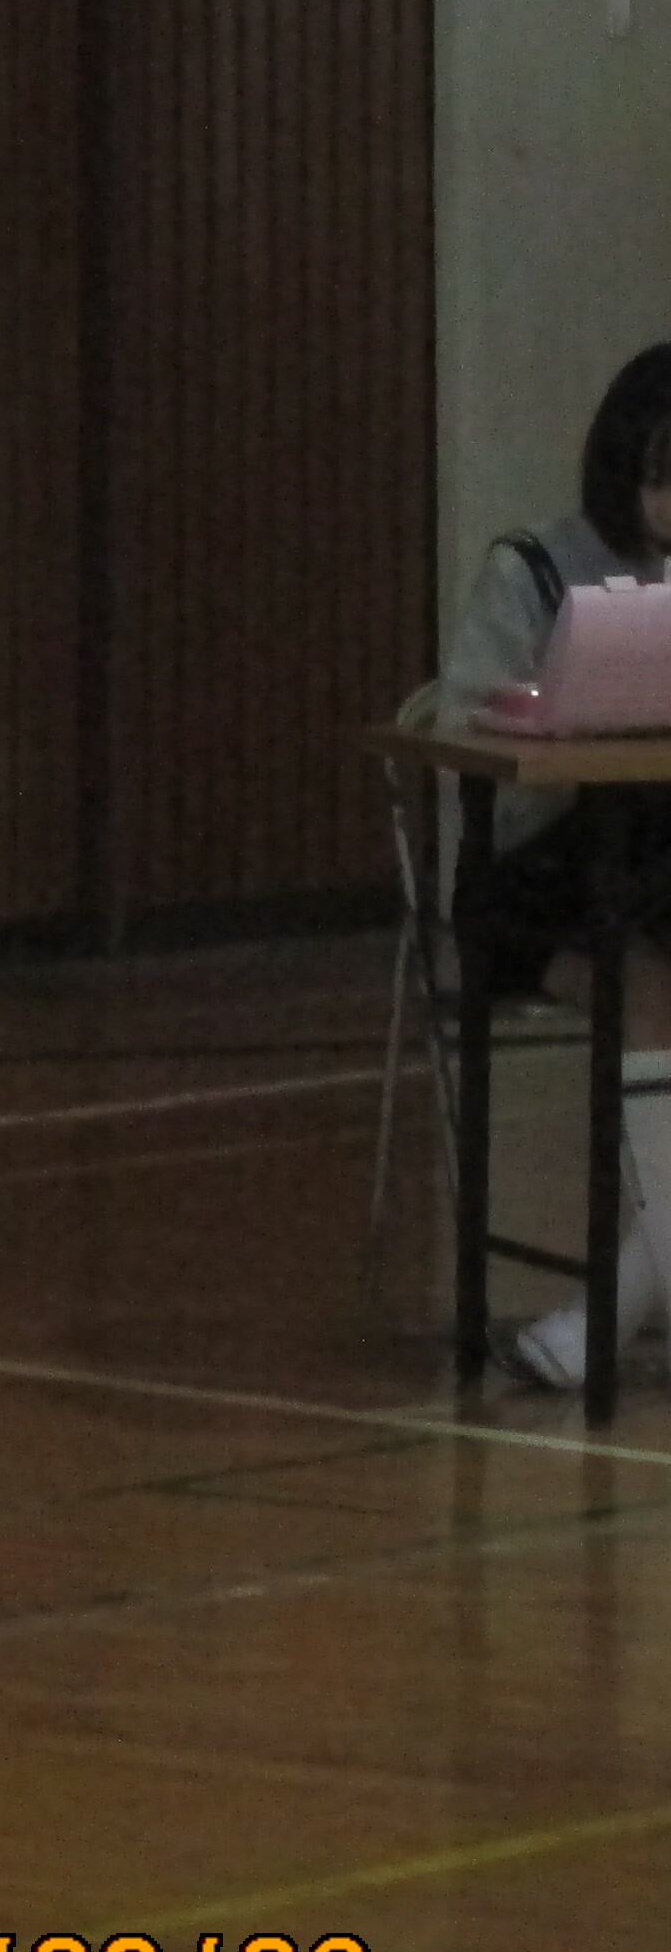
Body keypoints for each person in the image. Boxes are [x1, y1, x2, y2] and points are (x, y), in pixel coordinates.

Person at [423, 343, 671, 1392]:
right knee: (655, 987)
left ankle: (625, 1292)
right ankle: (619, 1306)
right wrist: (559, 725)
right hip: (538, 879)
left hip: (657, 874)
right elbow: (461, 737)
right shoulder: (531, 569)